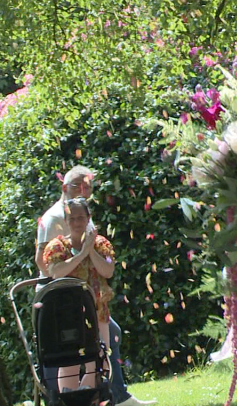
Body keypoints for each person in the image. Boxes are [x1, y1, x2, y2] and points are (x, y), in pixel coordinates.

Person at [34, 166, 154, 406]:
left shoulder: (93, 232)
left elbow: (107, 268)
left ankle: (107, 396)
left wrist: (88, 250)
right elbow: (45, 265)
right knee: (65, 356)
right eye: (80, 184)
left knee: (99, 351)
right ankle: (64, 400)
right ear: (65, 187)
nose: (85, 189)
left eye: (88, 185)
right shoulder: (54, 219)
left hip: (92, 301)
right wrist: (78, 259)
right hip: (60, 300)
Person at [43, 198, 115, 392]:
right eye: (72, 218)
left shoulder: (100, 244)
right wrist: (81, 254)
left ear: (88, 218)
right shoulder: (57, 246)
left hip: (97, 310)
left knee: (99, 358)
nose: (77, 223)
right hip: (68, 314)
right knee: (70, 361)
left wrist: (90, 250)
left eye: (81, 218)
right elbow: (56, 272)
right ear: (66, 221)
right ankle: (70, 398)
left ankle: (89, 397)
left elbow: (108, 271)